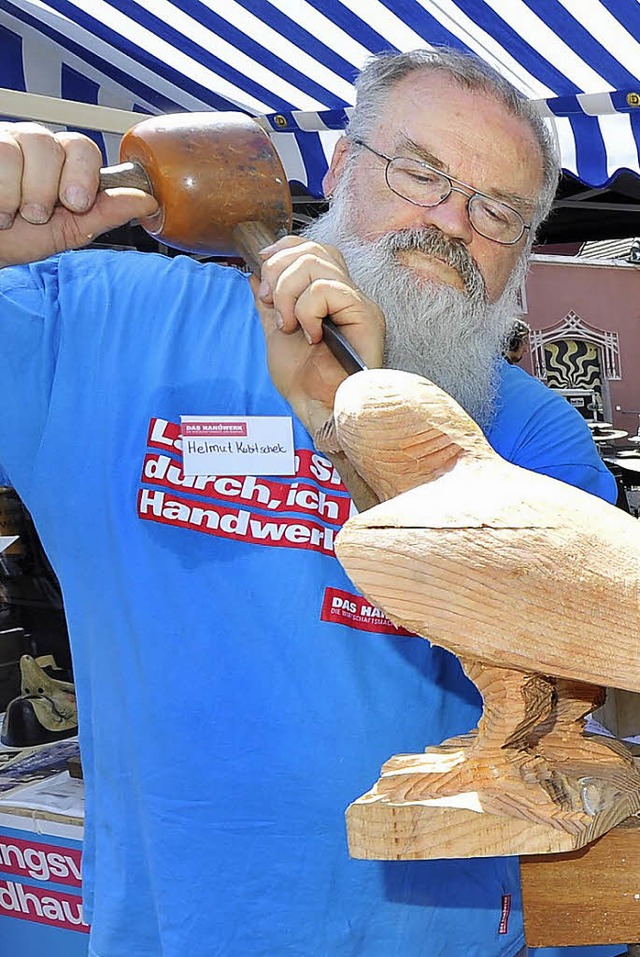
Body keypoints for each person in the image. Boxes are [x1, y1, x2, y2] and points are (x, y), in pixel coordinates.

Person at [0, 47, 618, 957]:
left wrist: (347, 420)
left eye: (499, 211)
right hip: (173, 933)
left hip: (444, 937)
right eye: (421, 171)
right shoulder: (98, 324)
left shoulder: (530, 432)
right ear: (337, 168)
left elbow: (560, 672)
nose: (450, 220)